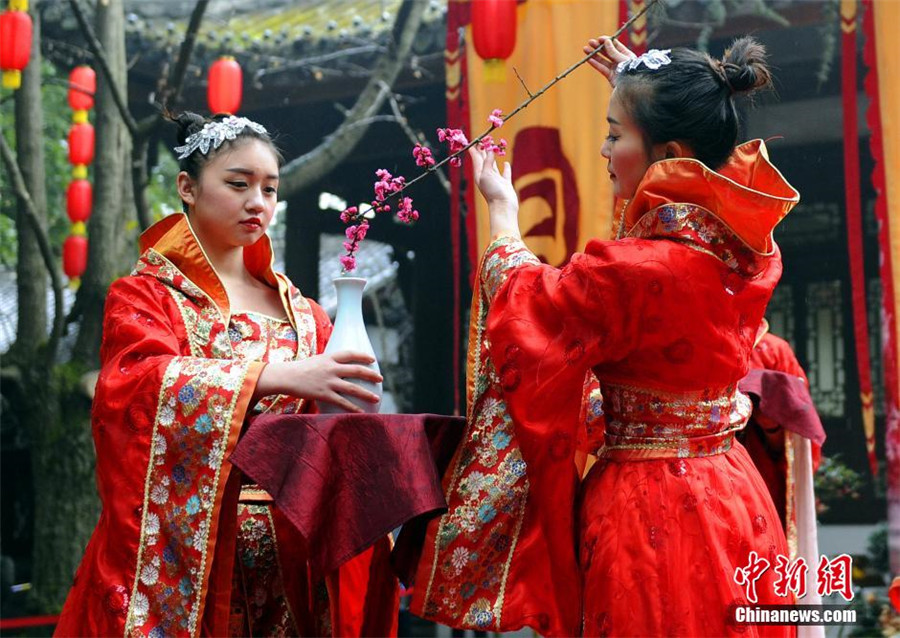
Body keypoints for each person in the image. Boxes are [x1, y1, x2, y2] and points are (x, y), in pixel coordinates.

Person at [410, 37, 800, 637]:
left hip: (649, 503)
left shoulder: (637, 269)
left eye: (616, 134)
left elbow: (529, 305)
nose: (603, 148)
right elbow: (680, 192)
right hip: (732, 491)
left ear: (666, 152)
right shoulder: (743, 250)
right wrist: (649, 95)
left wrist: (503, 217)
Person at [55, 113, 397, 637]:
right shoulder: (146, 296)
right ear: (187, 188)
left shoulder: (308, 314)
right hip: (192, 558)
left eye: (269, 189)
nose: (256, 201)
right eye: (238, 184)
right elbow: (136, 388)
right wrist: (276, 376)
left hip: (292, 569)